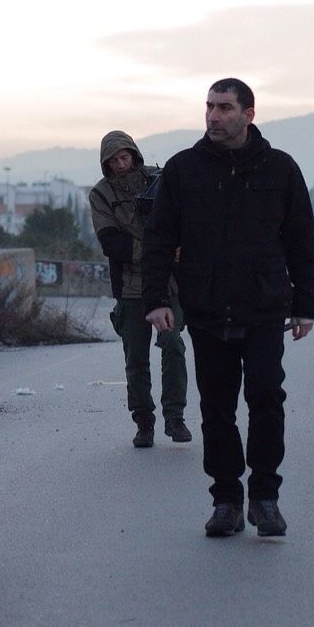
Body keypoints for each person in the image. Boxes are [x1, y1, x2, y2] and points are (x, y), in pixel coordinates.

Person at [141, 78, 314, 536]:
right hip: (206, 307)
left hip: (264, 307)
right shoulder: (183, 170)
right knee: (217, 408)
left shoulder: (280, 169)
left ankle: (265, 498)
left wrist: (306, 304)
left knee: (266, 397)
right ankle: (226, 501)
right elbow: (158, 239)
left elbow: (302, 240)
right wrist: (156, 299)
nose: (214, 116)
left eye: (224, 107)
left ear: (249, 114)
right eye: (209, 107)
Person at [89, 131, 191, 448]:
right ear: (106, 163)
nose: (121, 164)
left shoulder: (159, 180)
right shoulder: (102, 194)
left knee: (172, 344)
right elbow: (112, 243)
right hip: (130, 286)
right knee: (136, 360)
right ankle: (144, 421)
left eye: (125, 157)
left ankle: (175, 417)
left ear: (134, 155)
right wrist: (158, 250)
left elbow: (186, 220)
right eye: (114, 160)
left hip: (167, 283)